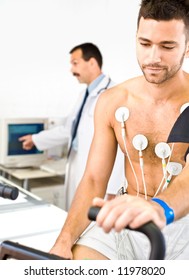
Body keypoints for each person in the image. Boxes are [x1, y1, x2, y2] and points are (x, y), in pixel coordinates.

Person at [50, 0, 189, 260]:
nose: (153, 58)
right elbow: (93, 179)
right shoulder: (113, 101)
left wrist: (159, 209)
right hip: (125, 221)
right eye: (145, 44)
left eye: (167, 46)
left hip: (181, 224)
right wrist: (64, 241)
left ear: (188, 46)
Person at [19, 42, 124, 209]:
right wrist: (35, 139)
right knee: (75, 214)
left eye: (75, 63)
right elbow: (69, 130)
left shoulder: (115, 93)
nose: (71, 70)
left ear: (92, 62)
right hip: (77, 164)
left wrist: (112, 188)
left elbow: (119, 145)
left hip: (99, 176)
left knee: (93, 225)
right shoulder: (85, 94)